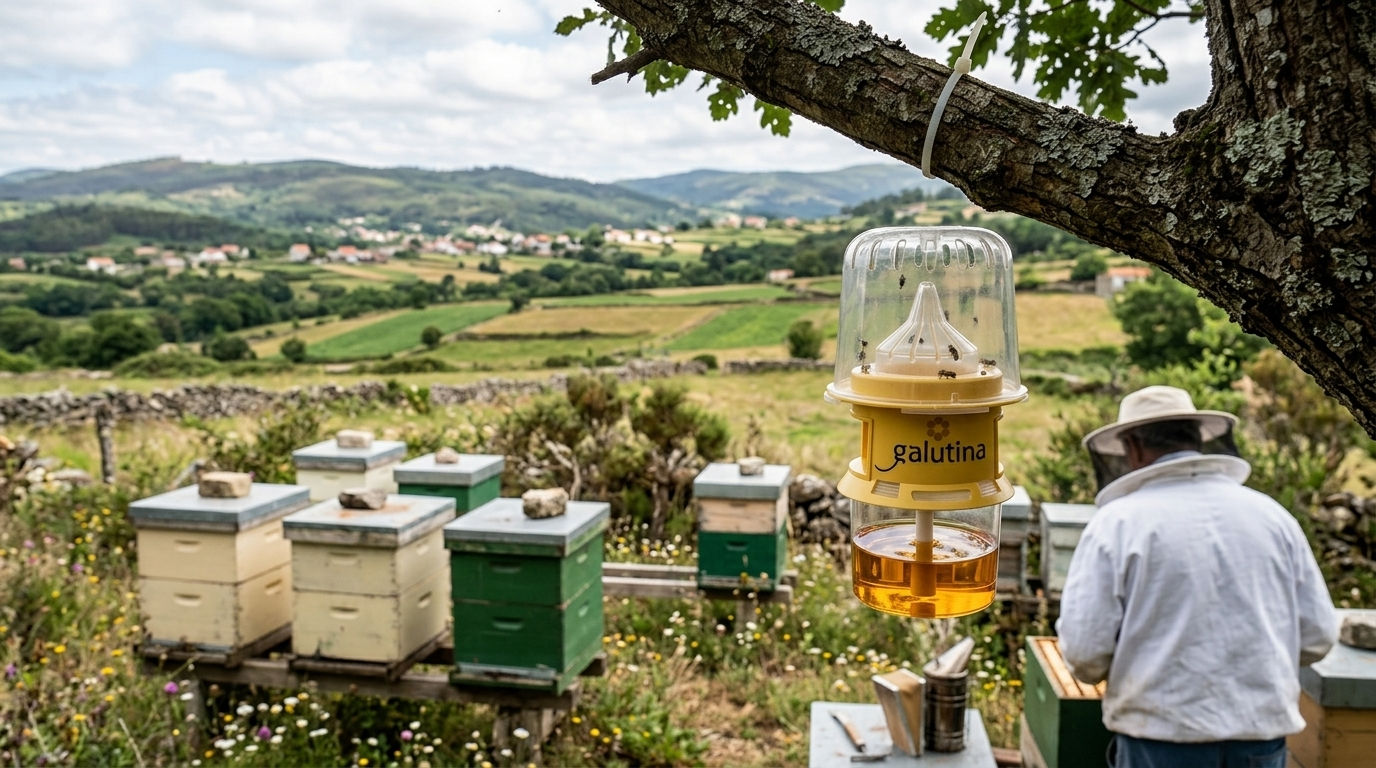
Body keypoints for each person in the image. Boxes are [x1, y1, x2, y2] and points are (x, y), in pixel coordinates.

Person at [1057, 385, 1338, 768]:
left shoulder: (1118, 523)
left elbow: (1085, 652)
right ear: (1196, 437)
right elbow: (1318, 635)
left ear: (1133, 446)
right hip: (1259, 739)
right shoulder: (1272, 516)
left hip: (1161, 741)